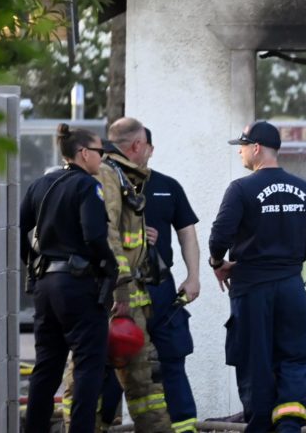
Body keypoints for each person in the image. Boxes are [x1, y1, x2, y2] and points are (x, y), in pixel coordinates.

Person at [209, 120, 306, 433]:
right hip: (291, 288)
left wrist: (218, 262)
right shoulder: (303, 188)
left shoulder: (240, 189)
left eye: (243, 146)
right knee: (294, 359)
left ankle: (259, 426)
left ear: (256, 148)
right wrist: (286, 262)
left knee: (254, 360)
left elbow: (219, 236)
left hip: (252, 289)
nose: (240, 152)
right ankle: (288, 426)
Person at [62, 117, 172, 431]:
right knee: (130, 380)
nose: (149, 154)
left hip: (113, 294)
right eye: (147, 147)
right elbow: (106, 233)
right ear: (137, 145)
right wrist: (120, 286)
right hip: (115, 298)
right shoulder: (109, 176)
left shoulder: (116, 175)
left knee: (131, 379)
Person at [98, 127, 201, 433]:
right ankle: (103, 424)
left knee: (172, 357)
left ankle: (183, 427)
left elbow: (187, 233)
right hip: (121, 289)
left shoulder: (168, 186)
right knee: (115, 358)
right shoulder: (107, 183)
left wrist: (193, 277)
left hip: (160, 287)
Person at [20, 124, 117, 433]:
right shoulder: (87, 186)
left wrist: (34, 263)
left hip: (46, 286)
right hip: (78, 285)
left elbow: (20, 230)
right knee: (89, 365)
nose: (102, 158)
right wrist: (110, 267)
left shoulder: (41, 185)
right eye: (100, 152)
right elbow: (94, 236)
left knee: (46, 366)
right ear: (83, 153)